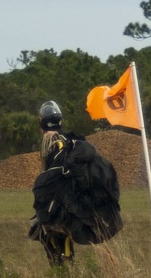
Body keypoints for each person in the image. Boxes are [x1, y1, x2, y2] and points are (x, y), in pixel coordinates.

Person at [29, 100, 122, 266]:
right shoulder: (70, 140)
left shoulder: (53, 143)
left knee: (48, 233)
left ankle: (62, 269)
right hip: (74, 201)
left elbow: (52, 179)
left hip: (63, 202)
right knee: (60, 235)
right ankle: (67, 267)